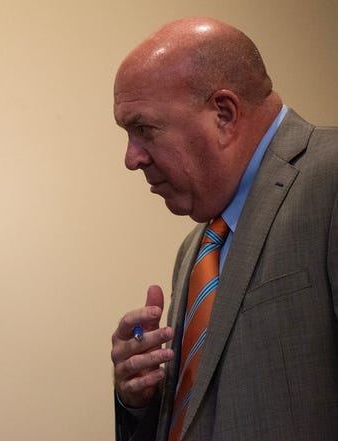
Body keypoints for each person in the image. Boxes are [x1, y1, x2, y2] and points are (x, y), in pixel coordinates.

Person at [111, 17, 338, 441]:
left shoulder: (330, 179)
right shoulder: (197, 247)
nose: (131, 158)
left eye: (144, 129)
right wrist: (137, 398)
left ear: (224, 113)